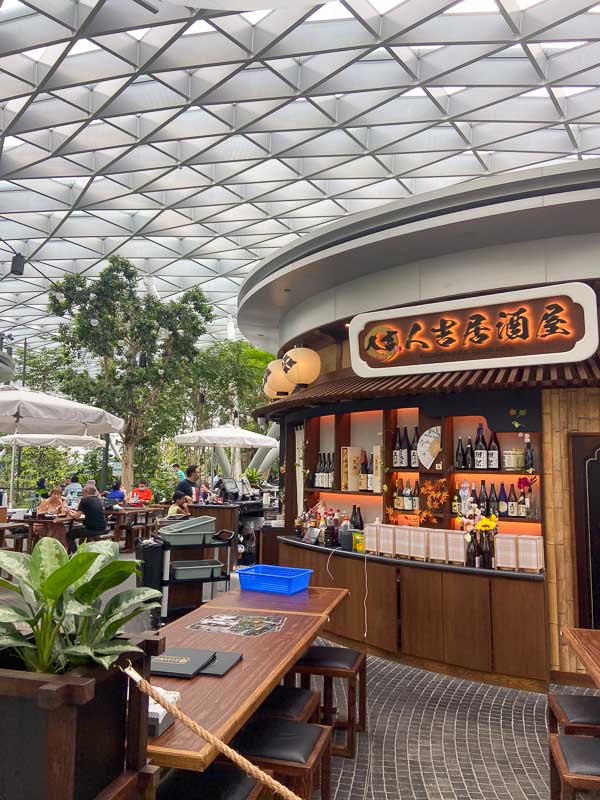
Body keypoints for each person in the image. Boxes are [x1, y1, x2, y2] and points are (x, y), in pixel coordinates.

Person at [69, 485, 107, 553]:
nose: (82, 494)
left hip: (92, 529)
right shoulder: (98, 499)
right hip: (103, 527)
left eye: (82, 492)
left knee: (69, 535)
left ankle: (76, 554)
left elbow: (76, 517)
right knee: (81, 531)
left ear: (86, 492)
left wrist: (69, 512)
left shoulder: (84, 500)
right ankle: (83, 551)